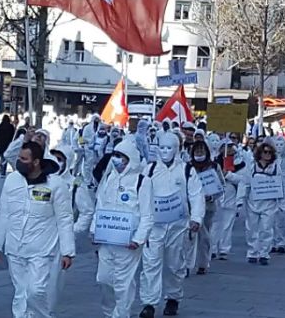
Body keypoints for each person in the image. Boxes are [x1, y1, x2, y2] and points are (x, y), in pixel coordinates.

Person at [0, 141, 75, 318]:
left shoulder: (56, 184)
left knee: (35, 291)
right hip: (15, 248)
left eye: (23, 159)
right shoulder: (12, 181)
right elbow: (4, 212)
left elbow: (65, 219)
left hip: (42, 250)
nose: (19, 162)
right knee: (21, 293)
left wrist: (68, 251)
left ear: (36, 162)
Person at [139, 132, 204, 317]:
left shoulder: (186, 170)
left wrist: (196, 218)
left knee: (175, 264)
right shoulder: (149, 169)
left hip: (178, 225)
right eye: (162, 148)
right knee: (150, 264)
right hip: (154, 226)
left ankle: (173, 298)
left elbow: (196, 194)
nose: (165, 152)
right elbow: (140, 194)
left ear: (177, 149)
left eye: (170, 148)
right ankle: (149, 303)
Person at [92, 139, 154, 318]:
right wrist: (94, 228)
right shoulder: (110, 178)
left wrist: (138, 238)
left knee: (122, 283)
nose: (117, 160)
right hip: (107, 240)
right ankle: (110, 312)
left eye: (121, 157)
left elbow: (147, 215)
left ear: (131, 159)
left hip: (129, 243)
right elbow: (100, 206)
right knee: (103, 279)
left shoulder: (142, 182)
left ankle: (121, 314)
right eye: (115, 156)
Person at [237, 141, 284, 265]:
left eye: (269, 152)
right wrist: (240, 200)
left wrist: (282, 203)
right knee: (251, 229)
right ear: (260, 153)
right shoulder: (252, 167)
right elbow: (244, 183)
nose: (267, 154)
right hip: (253, 203)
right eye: (265, 152)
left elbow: (281, 185)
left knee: (266, 229)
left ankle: (264, 254)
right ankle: (252, 252)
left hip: (269, 204)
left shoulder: (276, 167)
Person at [186, 141, 224, 275]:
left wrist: (212, 197)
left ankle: (203, 263)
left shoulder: (214, 167)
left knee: (204, 236)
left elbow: (221, 187)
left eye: (202, 151)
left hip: (208, 207)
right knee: (190, 235)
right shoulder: (188, 168)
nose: (199, 153)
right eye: (197, 151)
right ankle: (187, 264)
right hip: (191, 208)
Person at [212, 141, 248, 259]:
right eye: (226, 147)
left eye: (231, 147)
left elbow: (243, 180)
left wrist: (228, 175)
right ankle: (212, 248)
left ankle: (224, 249)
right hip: (216, 196)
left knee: (227, 224)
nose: (229, 149)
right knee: (215, 224)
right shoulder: (214, 162)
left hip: (230, 197)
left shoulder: (240, 164)